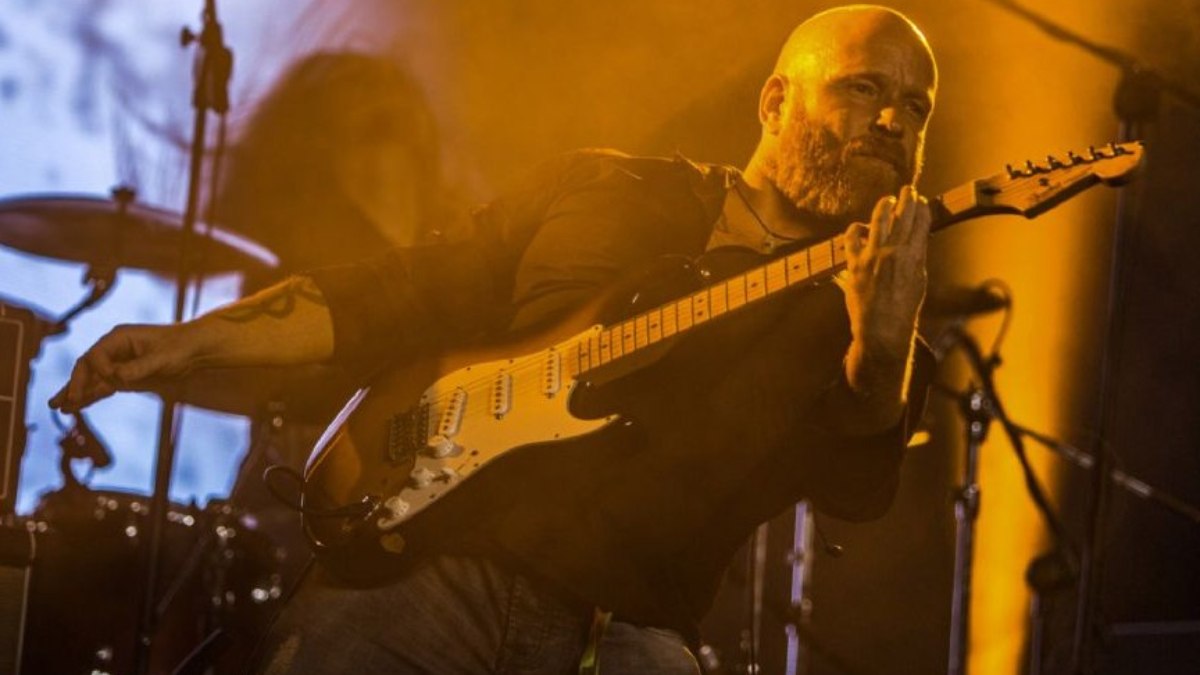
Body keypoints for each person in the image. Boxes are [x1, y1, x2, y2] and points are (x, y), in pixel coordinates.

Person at [52, 5, 938, 673]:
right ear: (776, 100)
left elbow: (855, 487)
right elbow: (398, 292)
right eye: (864, 88)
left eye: (915, 106)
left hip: (630, 632)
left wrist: (883, 344)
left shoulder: (865, 319)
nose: (893, 121)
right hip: (427, 574)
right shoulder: (608, 187)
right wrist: (192, 340)